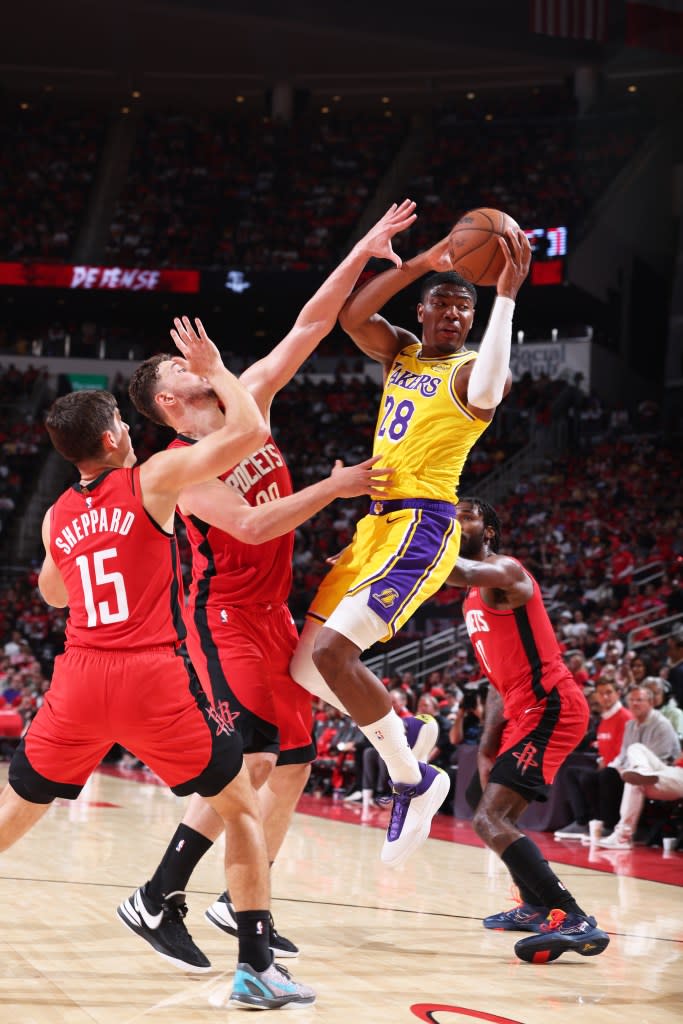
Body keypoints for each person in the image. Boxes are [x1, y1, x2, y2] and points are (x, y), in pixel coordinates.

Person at [125, 201, 431, 968]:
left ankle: (240, 899)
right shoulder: (173, 469)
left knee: (293, 764)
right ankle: (157, 894)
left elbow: (308, 326)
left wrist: (364, 249)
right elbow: (254, 527)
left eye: (199, 363)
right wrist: (338, 487)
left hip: (272, 614)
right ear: (169, 403)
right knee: (253, 762)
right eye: (185, 371)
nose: (201, 369)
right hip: (219, 618)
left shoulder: (243, 401)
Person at [0, 322, 314, 1010]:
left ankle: (174, 911)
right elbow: (250, 433)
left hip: (80, 677)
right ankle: (255, 967)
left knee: (12, 817)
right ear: (113, 438)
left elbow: (54, 594)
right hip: (151, 676)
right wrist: (217, 369)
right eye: (120, 419)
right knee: (239, 811)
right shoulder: (154, 476)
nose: (127, 426)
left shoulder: (56, 515)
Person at [290, 219, 531, 868]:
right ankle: (408, 739)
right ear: (422, 310)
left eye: (464, 305)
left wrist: (505, 294)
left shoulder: (471, 371)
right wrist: (421, 261)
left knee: (336, 654)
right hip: (374, 526)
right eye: (443, 301)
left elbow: (487, 389)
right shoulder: (399, 350)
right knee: (303, 666)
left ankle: (412, 777)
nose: (453, 312)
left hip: (421, 524)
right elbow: (352, 316)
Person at [447, 497, 610, 964]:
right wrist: (490, 741)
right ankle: (536, 905)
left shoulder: (505, 571)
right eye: (451, 516)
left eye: (469, 515)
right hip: (523, 710)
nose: (458, 521)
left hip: (551, 704)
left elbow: (461, 571)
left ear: (489, 531)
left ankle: (571, 914)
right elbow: (499, 675)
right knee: (500, 817)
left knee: (488, 819)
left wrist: (393, 550)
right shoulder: (470, 599)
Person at [598, 685, 681, 849]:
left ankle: (623, 836)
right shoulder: (630, 724)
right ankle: (639, 770)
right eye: (632, 700)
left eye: (640, 700)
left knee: (633, 778)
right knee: (634, 752)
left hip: (672, 773)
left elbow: (664, 757)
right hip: (666, 773)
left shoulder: (662, 724)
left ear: (651, 703)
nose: (635, 704)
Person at [553, 676, 632, 841]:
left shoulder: (625, 717)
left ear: (618, 694)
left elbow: (626, 752)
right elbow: (604, 750)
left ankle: (607, 825)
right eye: (601, 693)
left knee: (603, 775)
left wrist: (607, 764)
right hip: (607, 767)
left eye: (609, 692)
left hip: (621, 771)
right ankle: (583, 822)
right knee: (571, 773)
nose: (605, 697)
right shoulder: (604, 718)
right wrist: (600, 761)